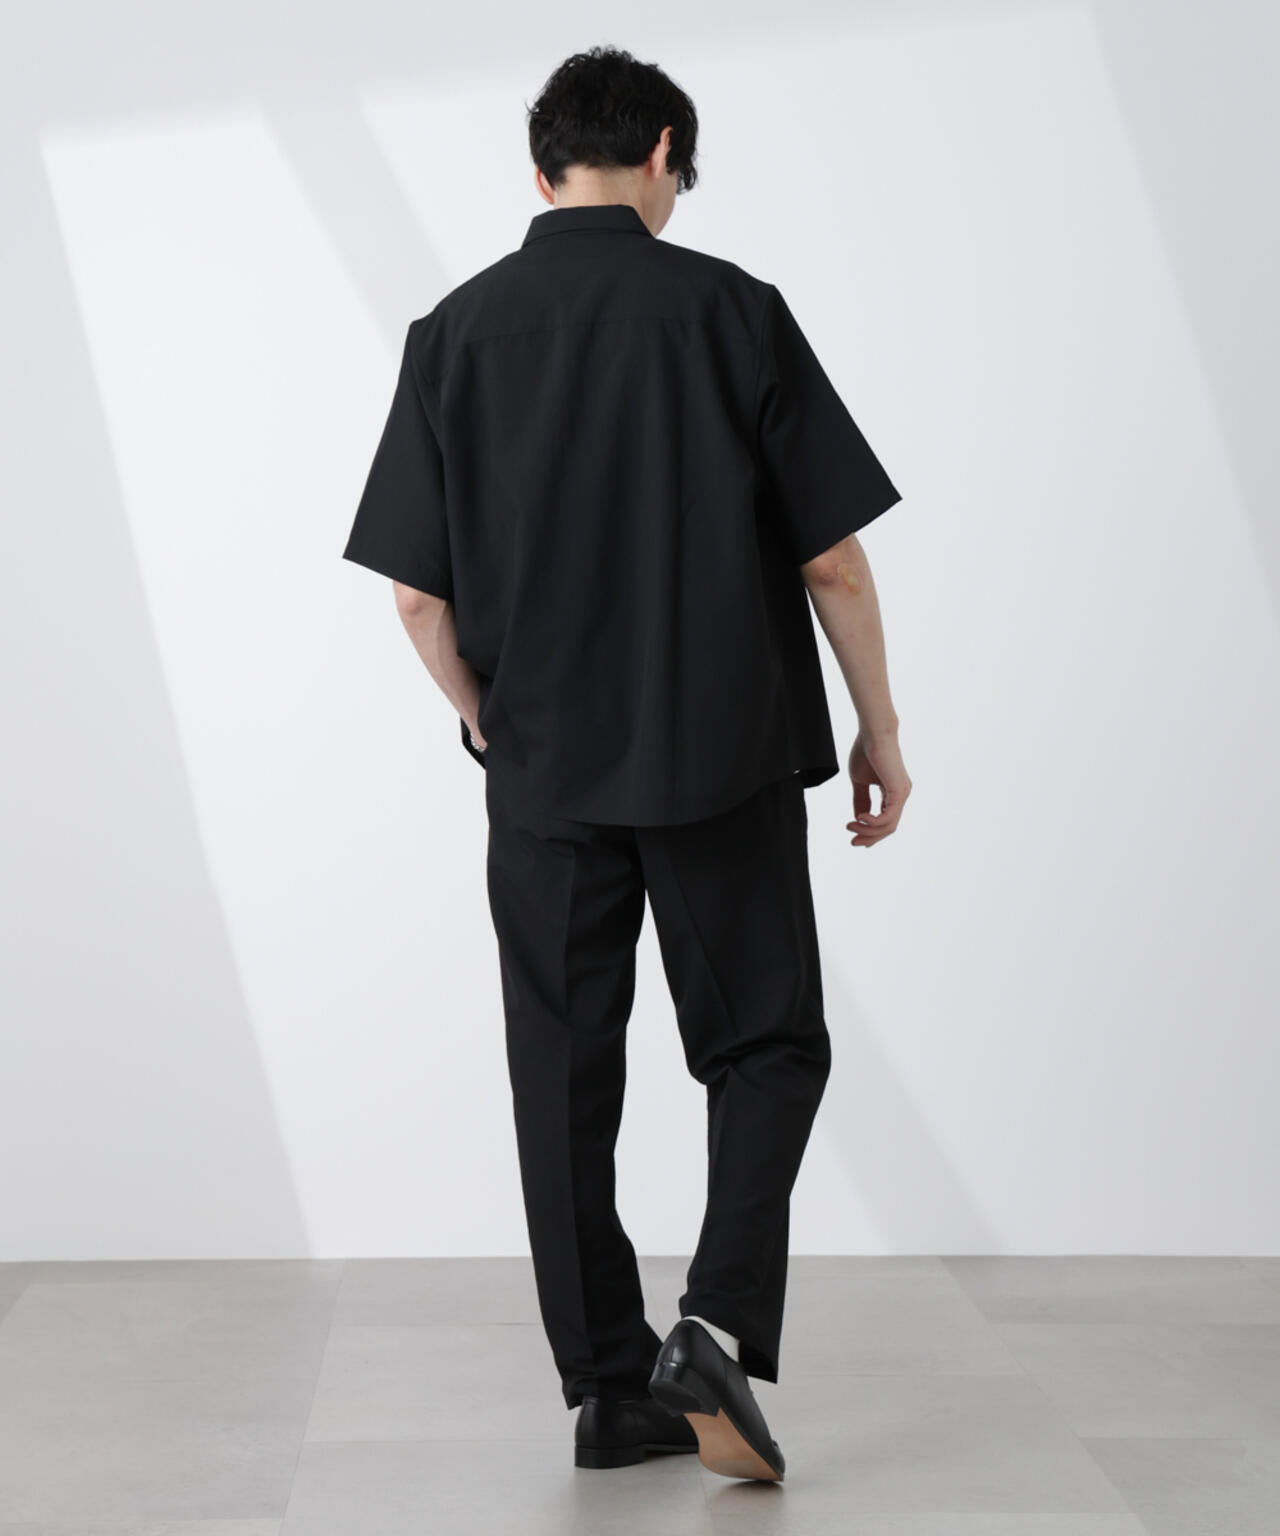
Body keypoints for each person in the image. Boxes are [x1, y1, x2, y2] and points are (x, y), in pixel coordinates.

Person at [342, 43, 911, 1484]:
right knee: (766, 1043)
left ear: (542, 173)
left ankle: (608, 1389)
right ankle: (710, 1324)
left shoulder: (454, 333)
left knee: (560, 1071)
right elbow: (834, 562)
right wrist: (881, 729)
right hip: (722, 757)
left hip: (543, 773)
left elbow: (414, 596)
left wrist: (484, 716)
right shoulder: (732, 310)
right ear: (664, 151)